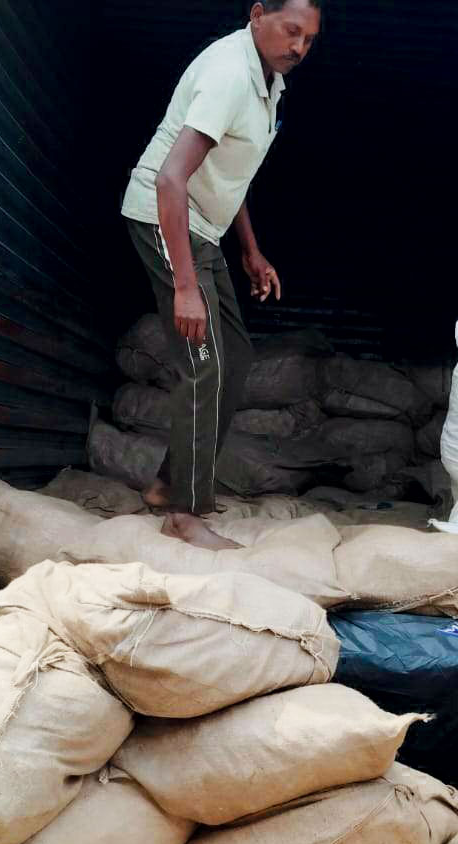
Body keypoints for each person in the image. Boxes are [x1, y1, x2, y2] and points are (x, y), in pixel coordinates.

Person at [121, 0, 323, 546]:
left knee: (235, 356)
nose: (299, 47)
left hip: (204, 226)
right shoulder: (230, 74)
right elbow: (170, 179)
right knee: (202, 362)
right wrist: (186, 287)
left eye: (308, 39)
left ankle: (168, 483)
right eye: (291, 31)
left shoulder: (268, 81)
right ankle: (184, 513)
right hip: (164, 216)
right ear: (258, 15)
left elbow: (230, 176)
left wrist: (252, 252)